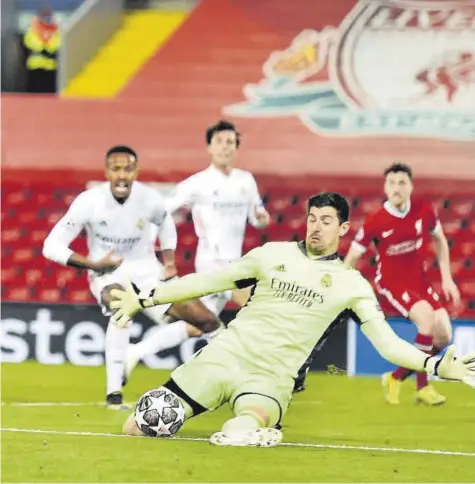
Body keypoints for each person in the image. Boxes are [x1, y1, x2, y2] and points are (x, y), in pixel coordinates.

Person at [110, 192, 475, 447]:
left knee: (241, 426)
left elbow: (387, 343)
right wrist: (146, 298)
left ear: (343, 229)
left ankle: (254, 429)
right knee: (137, 427)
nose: (316, 227)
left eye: (326, 221)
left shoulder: (352, 285)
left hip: (271, 377)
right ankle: (251, 430)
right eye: (312, 219)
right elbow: (206, 281)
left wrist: (436, 366)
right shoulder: (270, 255)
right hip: (221, 358)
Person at [43, 145, 221, 409]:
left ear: (136, 171)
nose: (122, 175)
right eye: (116, 169)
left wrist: (170, 262)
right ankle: (113, 394)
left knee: (207, 320)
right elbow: (51, 246)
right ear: (107, 172)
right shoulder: (89, 202)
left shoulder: (149, 199)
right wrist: (92, 263)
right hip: (107, 273)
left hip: (147, 270)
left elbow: (166, 224)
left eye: (128, 169)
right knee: (120, 306)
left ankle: (229, 374)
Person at [124, 120, 270, 378]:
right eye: (220, 142)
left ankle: (136, 351)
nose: (226, 147)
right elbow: (164, 209)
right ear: (209, 148)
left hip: (234, 260)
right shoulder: (198, 183)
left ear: (236, 147)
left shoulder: (246, 181)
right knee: (256, 306)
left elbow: (256, 217)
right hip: (213, 263)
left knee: (198, 324)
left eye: (231, 142)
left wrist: (261, 217)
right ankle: (242, 374)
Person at [344, 163, 461, 405]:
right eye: (391, 183)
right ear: (385, 187)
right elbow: (352, 258)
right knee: (426, 319)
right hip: (392, 282)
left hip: (420, 280)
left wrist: (447, 277)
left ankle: (395, 377)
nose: (396, 188)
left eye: (402, 183)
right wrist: (346, 288)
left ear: (411, 186)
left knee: (443, 336)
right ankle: (423, 387)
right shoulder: (375, 221)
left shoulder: (424, 209)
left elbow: (439, 239)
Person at [23, 7, 61, 93]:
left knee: (50, 92)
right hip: (36, 66)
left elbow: (58, 44)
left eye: (48, 16)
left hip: (51, 66)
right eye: (44, 16)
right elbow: (28, 43)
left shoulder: (55, 30)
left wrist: (48, 49)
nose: (46, 18)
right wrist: (43, 48)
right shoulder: (32, 29)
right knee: (35, 91)